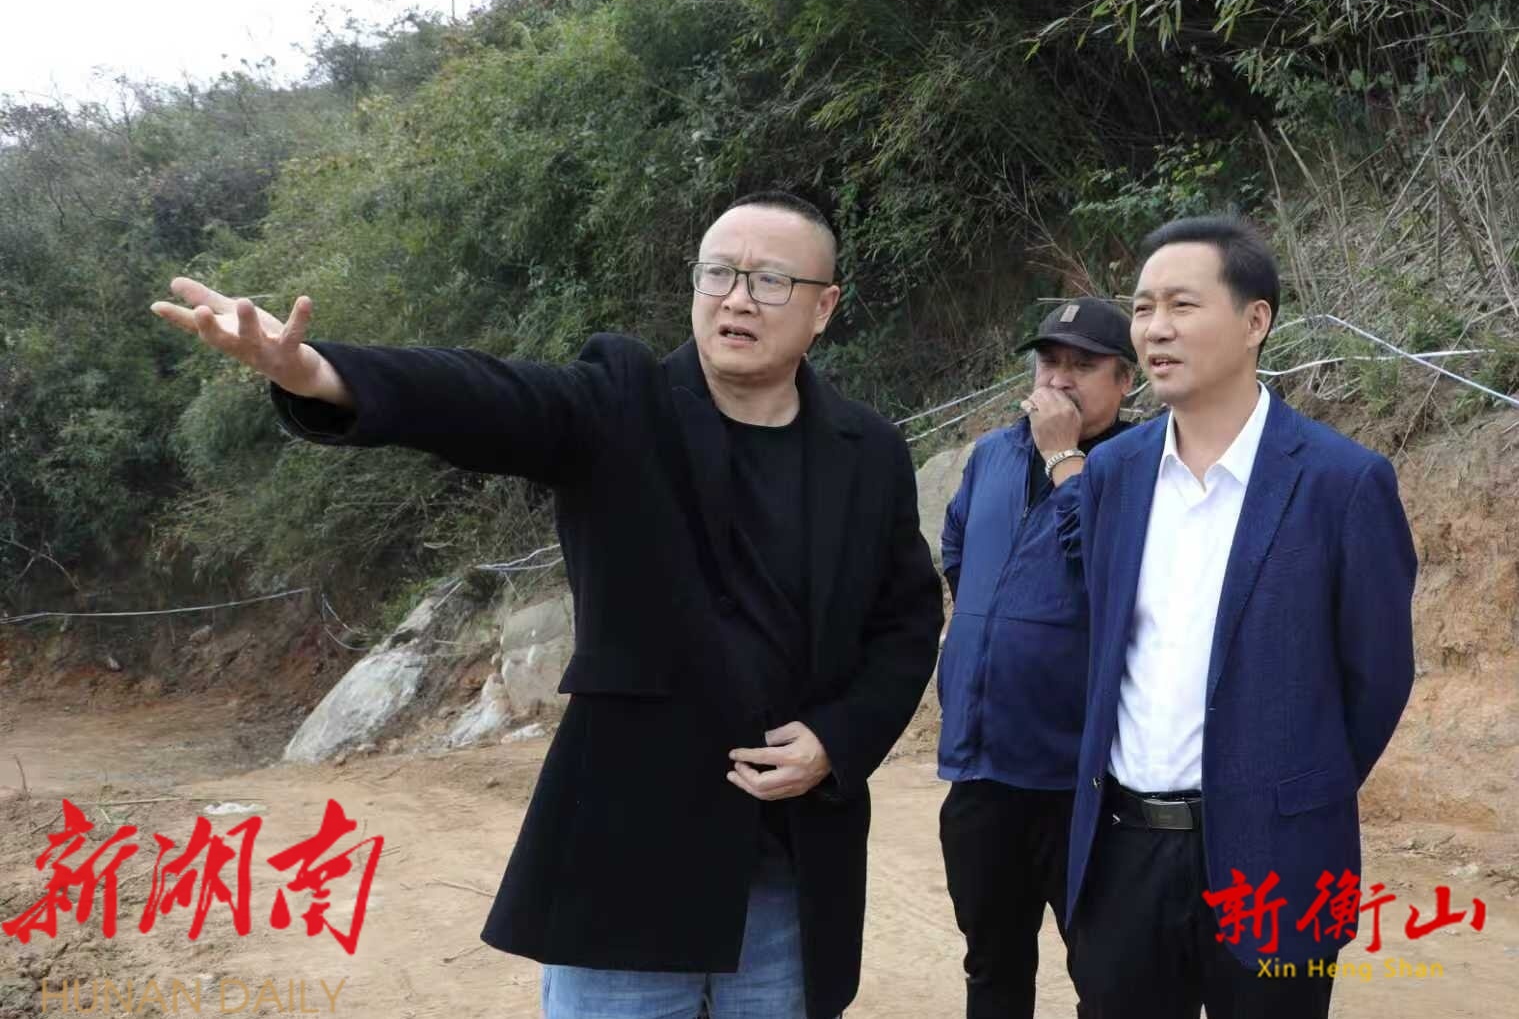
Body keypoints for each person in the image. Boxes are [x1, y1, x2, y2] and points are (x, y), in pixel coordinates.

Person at [150, 190, 944, 1019]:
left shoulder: (867, 451)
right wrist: (314, 373)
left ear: (824, 307)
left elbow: (904, 623)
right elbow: (485, 394)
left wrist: (837, 740)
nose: (737, 299)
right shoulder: (622, 404)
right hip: (626, 863)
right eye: (718, 273)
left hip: (787, 872)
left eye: (770, 280)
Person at [1062, 216, 1417, 1018]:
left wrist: (1290, 786)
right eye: (1142, 307)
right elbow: (1102, 646)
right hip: (1122, 852)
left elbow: (1376, 678)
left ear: (1255, 320)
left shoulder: (1340, 482)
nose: (1154, 328)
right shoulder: (1113, 472)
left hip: (1276, 859)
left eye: (1181, 305)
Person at [937, 297, 1135, 1019]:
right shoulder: (992, 454)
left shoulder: (1139, 464)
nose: (1059, 378)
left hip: (1082, 782)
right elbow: (955, 546)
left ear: (1125, 382)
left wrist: (1063, 458)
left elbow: (1108, 566)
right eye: (1049, 361)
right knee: (992, 968)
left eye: (1083, 365)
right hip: (983, 769)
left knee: (1109, 979)